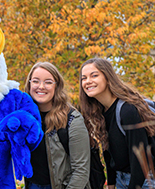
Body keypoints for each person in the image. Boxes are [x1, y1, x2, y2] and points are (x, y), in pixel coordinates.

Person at [79, 57, 155, 189]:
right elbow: (110, 152)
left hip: (143, 181)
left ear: (108, 77)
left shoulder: (128, 110)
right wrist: (112, 183)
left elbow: (140, 162)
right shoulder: (100, 112)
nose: (88, 81)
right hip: (121, 179)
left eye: (94, 75)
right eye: (83, 78)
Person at [24, 61, 91, 189]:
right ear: (29, 84)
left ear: (57, 86)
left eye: (48, 82)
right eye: (36, 81)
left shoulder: (72, 119)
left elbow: (81, 171)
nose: (41, 86)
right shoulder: (25, 118)